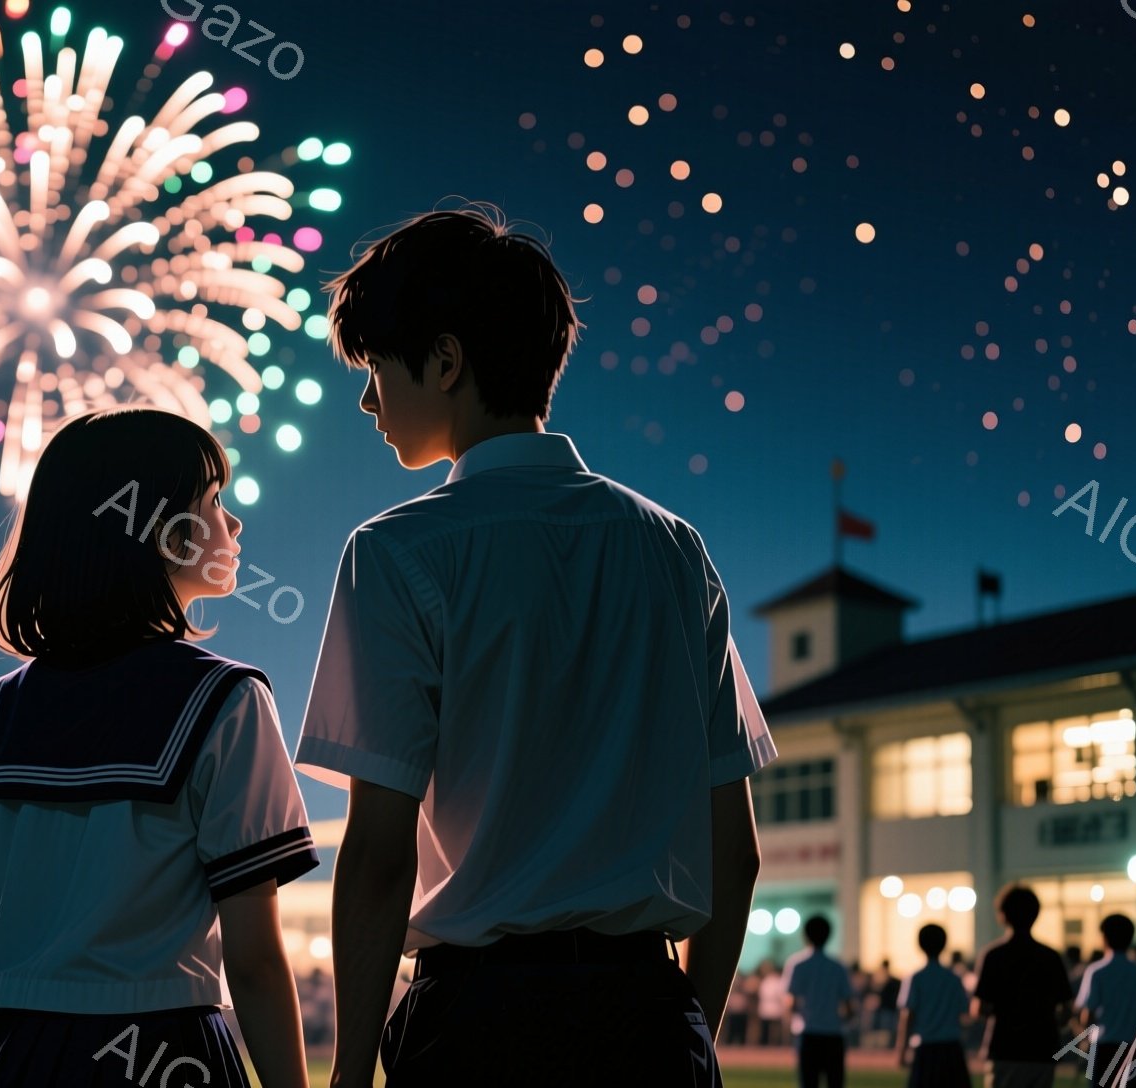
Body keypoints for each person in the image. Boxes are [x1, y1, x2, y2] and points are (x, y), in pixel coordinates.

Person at [291, 204, 774, 1087]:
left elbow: (378, 853)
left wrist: (351, 1072)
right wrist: (686, 1028)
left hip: (477, 1022)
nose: (367, 399)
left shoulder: (397, 551)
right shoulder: (673, 549)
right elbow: (733, 853)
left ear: (444, 360)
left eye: (376, 368)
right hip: (646, 1017)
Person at [0, 407, 318, 1088]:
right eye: (216, 501)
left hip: (11, 1053)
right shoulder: (226, 700)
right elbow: (252, 960)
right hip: (172, 1049)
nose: (235, 523)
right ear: (162, 532)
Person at [973, 884, 1074, 1088]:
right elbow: (1066, 1010)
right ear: (1036, 914)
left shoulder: (993, 956)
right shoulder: (1050, 957)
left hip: (1004, 1048)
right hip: (1042, 1048)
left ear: (1002, 915)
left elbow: (981, 1008)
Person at [1078, 915, 1136, 1085]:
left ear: (1104, 937)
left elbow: (1088, 1013)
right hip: (1132, 1046)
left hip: (1103, 1045)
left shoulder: (1097, 971)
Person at [784, 916, 854, 1088]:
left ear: (805, 936)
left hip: (808, 1033)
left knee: (809, 1082)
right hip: (833, 1034)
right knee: (835, 1082)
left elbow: (791, 1002)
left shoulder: (798, 964)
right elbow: (849, 1006)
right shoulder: (838, 966)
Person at [898, 924, 971, 1088]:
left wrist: (901, 1051)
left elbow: (908, 1016)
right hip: (952, 1047)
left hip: (925, 1047)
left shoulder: (916, 978)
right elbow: (964, 1013)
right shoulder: (954, 979)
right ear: (944, 944)